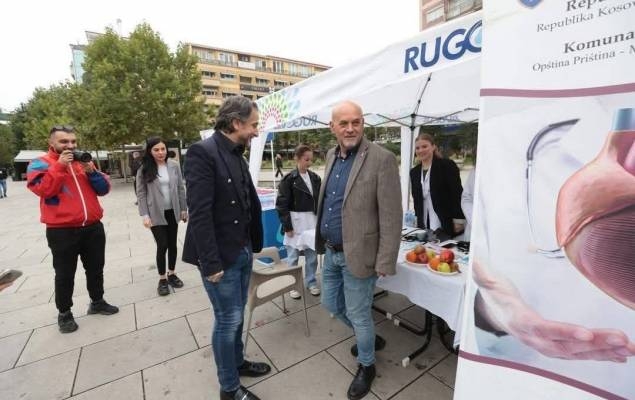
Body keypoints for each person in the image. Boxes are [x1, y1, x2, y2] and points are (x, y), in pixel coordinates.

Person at [182, 96, 270, 400]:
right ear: (235, 123)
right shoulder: (202, 153)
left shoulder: (236, 154)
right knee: (228, 320)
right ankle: (229, 389)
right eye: (253, 125)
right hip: (220, 257)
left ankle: (237, 362)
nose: (256, 131)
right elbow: (200, 214)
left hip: (242, 250)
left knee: (238, 315)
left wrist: (251, 243)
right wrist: (211, 263)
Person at [316, 101, 402, 400]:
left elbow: (391, 215)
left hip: (361, 254)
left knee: (359, 313)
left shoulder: (382, 159)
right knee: (330, 303)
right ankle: (369, 339)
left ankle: (367, 365)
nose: (350, 128)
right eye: (344, 123)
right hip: (331, 252)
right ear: (333, 127)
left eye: (356, 122)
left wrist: (385, 260)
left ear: (363, 123)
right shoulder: (331, 155)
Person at [26, 125, 119, 334]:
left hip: (93, 227)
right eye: (64, 141)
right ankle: (64, 313)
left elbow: (103, 189)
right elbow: (44, 190)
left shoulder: (81, 162)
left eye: (73, 141)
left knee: (96, 268)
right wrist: (59, 166)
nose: (70, 145)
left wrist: (92, 172)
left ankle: (97, 301)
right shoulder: (40, 163)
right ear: (51, 143)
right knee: (65, 274)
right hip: (62, 231)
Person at [136, 137, 188, 296]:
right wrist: (145, 215)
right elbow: (141, 193)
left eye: (163, 149)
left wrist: (183, 208)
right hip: (155, 213)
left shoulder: (174, 165)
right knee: (162, 245)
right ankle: (162, 279)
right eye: (156, 150)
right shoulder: (144, 169)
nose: (160, 152)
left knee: (172, 244)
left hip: (173, 211)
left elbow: (180, 187)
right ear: (150, 151)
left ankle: (172, 274)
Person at [275, 144, 322, 299]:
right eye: (306, 159)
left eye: (311, 159)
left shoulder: (315, 178)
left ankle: (311, 282)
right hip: (295, 221)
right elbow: (281, 204)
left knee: (312, 255)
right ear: (297, 158)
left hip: (312, 220)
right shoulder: (289, 179)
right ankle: (292, 284)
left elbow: (321, 200)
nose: (309, 162)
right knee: (293, 256)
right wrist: (287, 226)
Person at [410, 133, 465, 240]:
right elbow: (416, 199)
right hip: (424, 222)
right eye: (417, 148)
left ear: (433, 147)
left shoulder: (447, 165)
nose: (421, 150)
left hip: (445, 220)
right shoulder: (414, 172)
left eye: (424, 146)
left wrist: (459, 219)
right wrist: (417, 219)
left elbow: (457, 193)